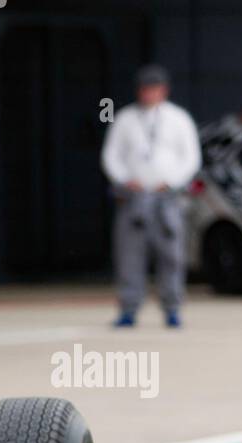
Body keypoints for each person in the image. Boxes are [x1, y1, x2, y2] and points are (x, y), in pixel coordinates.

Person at [101, 64, 201, 328]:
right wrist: (124, 180)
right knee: (130, 255)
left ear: (164, 90)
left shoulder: (180, 119)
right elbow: (111, 155)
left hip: (167, 198)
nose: (149, 94)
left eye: (154, 88)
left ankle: (172, 308)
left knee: (171, 255)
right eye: (145, 89)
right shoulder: (124, 119)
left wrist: (171, 182)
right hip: (134, 199)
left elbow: (190, 158)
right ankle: (129, 308)